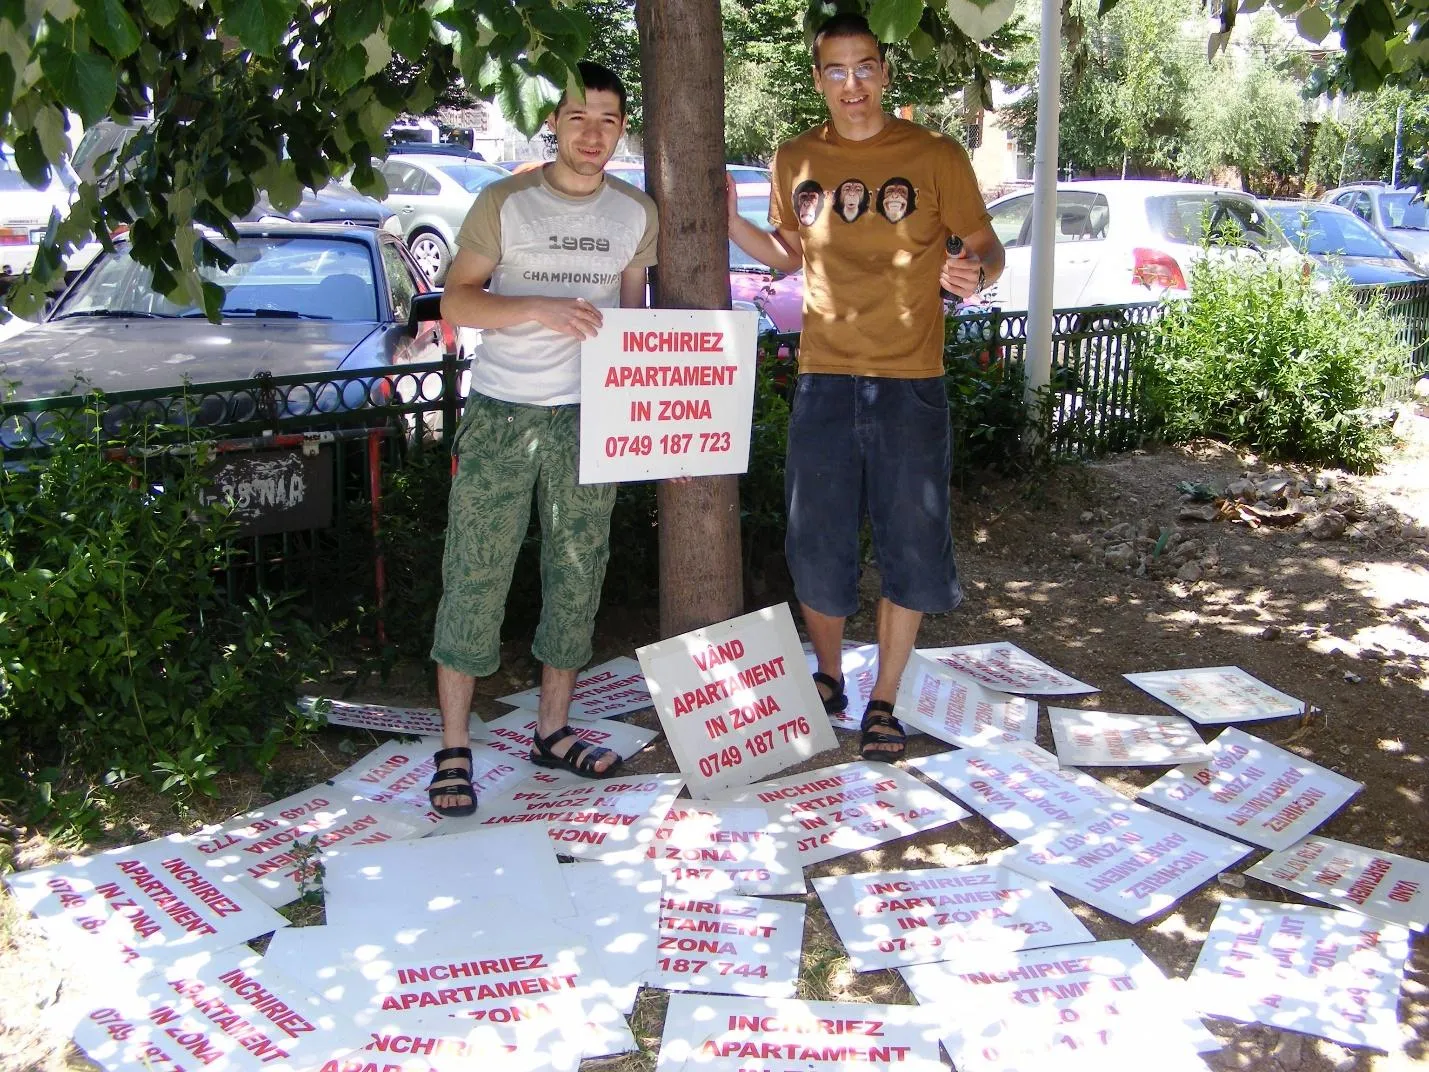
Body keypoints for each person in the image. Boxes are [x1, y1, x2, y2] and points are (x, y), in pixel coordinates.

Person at [726, 13, 1005, 762]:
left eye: (864, 68)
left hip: (910, 381)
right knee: (815, 540)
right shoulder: (794, 158)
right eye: (835, 71)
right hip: (822, 378)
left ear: (884, 72)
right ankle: (826, 675)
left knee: (909, 542)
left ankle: (883, 696)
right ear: (817, 78)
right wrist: (729, 220)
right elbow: (787, 255)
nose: (851, 85)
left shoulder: (934, 155)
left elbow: (986, 246)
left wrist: (976, 273)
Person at [427, 60, 658, 816]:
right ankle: (455, 746)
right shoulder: (505, 202)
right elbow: (455, 299)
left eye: (608, 120)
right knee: (475, 571)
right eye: (577, 118)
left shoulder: (634, 214)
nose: (592, 134)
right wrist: (535, 307)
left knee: (576, 572)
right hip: (502, 413)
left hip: (588, 422)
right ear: (551, 123)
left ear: (622, 129)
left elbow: (630, 329)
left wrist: (665, 436)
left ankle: (551, 730)